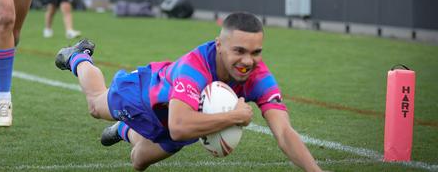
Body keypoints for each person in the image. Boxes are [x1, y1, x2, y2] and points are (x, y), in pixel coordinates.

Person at [55, 12, 323, 172]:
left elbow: (285, 132)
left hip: (183, 118)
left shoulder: (259, 77)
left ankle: (124, 130)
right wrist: (234, 117)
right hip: (146, 95)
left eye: (255, 52)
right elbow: (180, 127)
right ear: (219, 45)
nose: (247, 61)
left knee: (138, 162)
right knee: (95, 105)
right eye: (239, 51)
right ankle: (78, 58)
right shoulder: (194, 67)